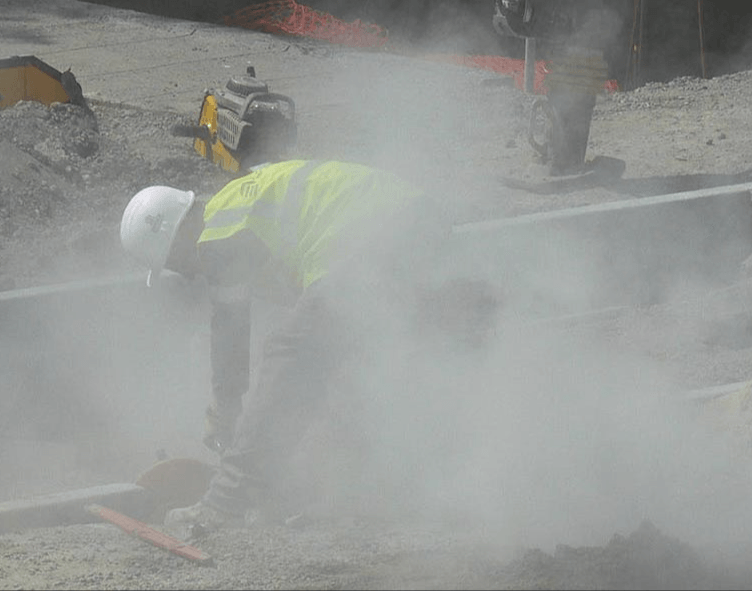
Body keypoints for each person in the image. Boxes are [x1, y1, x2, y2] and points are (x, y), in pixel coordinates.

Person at [119, 159, 494, 531]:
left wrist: (226, 406)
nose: (190, 273)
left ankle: (226, 501)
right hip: (414, 217)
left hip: (375, 233)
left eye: (177, 265)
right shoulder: (242, 200)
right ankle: (407, 481)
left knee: (290, 352)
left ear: (178, 235)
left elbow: (231, 331)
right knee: (372, 364)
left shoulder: (216, 229)